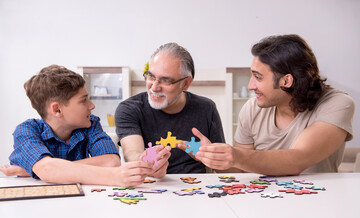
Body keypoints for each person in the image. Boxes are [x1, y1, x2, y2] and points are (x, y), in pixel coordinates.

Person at [194, 34, 355, 175]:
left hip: (320, 200)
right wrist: (212, 157)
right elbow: (240, 171)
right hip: (265, 200)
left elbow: (298, 159)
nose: (250, 86)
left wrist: (236, 155)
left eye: (258, 77)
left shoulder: (337, 104)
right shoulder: (251, 109)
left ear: (286, 81)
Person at [0, 65, 167, 186]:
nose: (91, 105)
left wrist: (32, 170)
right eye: (83, 100)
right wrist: (112, 177)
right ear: (57, 109)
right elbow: (49, 170)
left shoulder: (91, 124)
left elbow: (111, 162)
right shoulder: (26, 131)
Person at [115, 42, 225, 173]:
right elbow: (132, 154)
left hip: (197, 186)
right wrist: (145, 162)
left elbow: (224, 168)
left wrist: (210, 156)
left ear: (186, 84)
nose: (154, 87)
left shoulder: (206, 108)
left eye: (166, 80)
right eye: (151, 76)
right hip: (149, 186)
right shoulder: (129, 109)